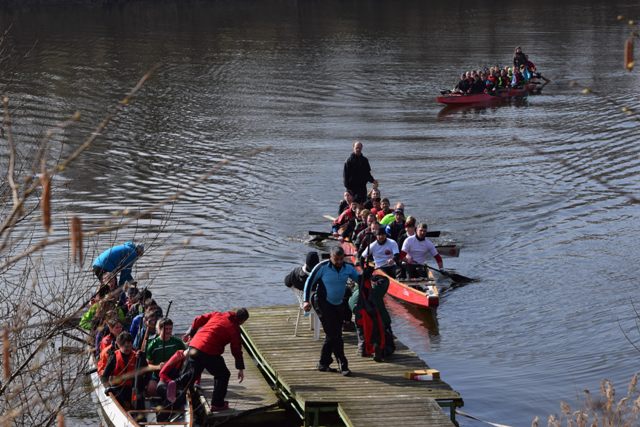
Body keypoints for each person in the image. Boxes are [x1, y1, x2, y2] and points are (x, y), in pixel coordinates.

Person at [303, 246, 359, 376]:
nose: (339, 262)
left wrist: (368, 280)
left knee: (333, 334)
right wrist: (306, 301)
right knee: (335, 335)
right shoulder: (322, 267)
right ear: (330, 257)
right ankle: (343, 364)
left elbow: (359, 280)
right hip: (322, 302)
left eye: (341, 259)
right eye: (336, 259)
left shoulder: (348, 268)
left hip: (338, 303)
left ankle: (323, 363)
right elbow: (309, 282)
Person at [181, 308, 249, 411]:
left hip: (194, 346)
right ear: (242, 321)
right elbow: (236, 350)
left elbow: (198, 319)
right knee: (223, 374)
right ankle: (217, 404)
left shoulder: (218, 314)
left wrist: (192, 334)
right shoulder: (234, 330)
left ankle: (177, 391)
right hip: (209, 351)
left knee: (192, 374)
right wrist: (240, 368)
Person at [348, 268, 395, 361]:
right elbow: (385, 281)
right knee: (385, 340)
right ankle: (383, 350)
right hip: (378, 318)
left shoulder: (354, 295)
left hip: (361, 319)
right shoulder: (376, 290)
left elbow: (351, 305)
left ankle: (363, 349)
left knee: (362, 334)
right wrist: (375, 277)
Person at [101, 331, 146, 410]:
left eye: (130, 346)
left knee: (138, 400)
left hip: (132, 388)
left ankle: (138, 412)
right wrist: (107, 387)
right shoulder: (114, 357)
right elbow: (104, 376)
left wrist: (142, 358)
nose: (128, 348)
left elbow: (146, 370)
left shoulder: (137, 356)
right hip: (118, 388)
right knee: (121, 399)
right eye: (125, 346)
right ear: (119, 345)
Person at [146, 318, 186, 396]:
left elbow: (185, 357)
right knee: (151, 389)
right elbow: (148, 365)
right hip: (157, 374)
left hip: (174, 373)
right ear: (159, 329)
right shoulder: (153, 345)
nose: (168, 331)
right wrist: (158, 367)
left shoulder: (177, 342)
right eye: (166, 329)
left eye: (170, 329)